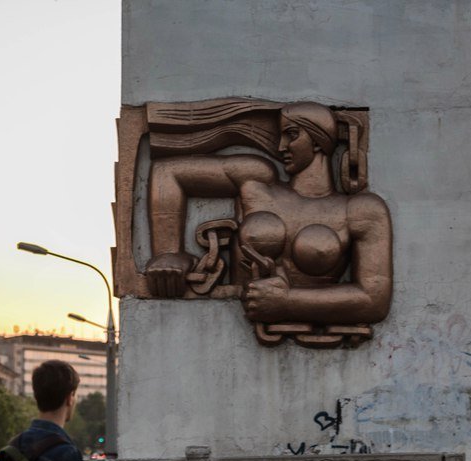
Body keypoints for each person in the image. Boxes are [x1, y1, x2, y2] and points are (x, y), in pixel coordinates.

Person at [144, 101, 392, 327]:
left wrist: (288, 302)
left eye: (292, 135)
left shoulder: (360, 210)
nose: (280, 146)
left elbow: (374, 299)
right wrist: (168, 253)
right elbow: (168, 172)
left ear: (318, 140)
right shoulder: (256, 181)